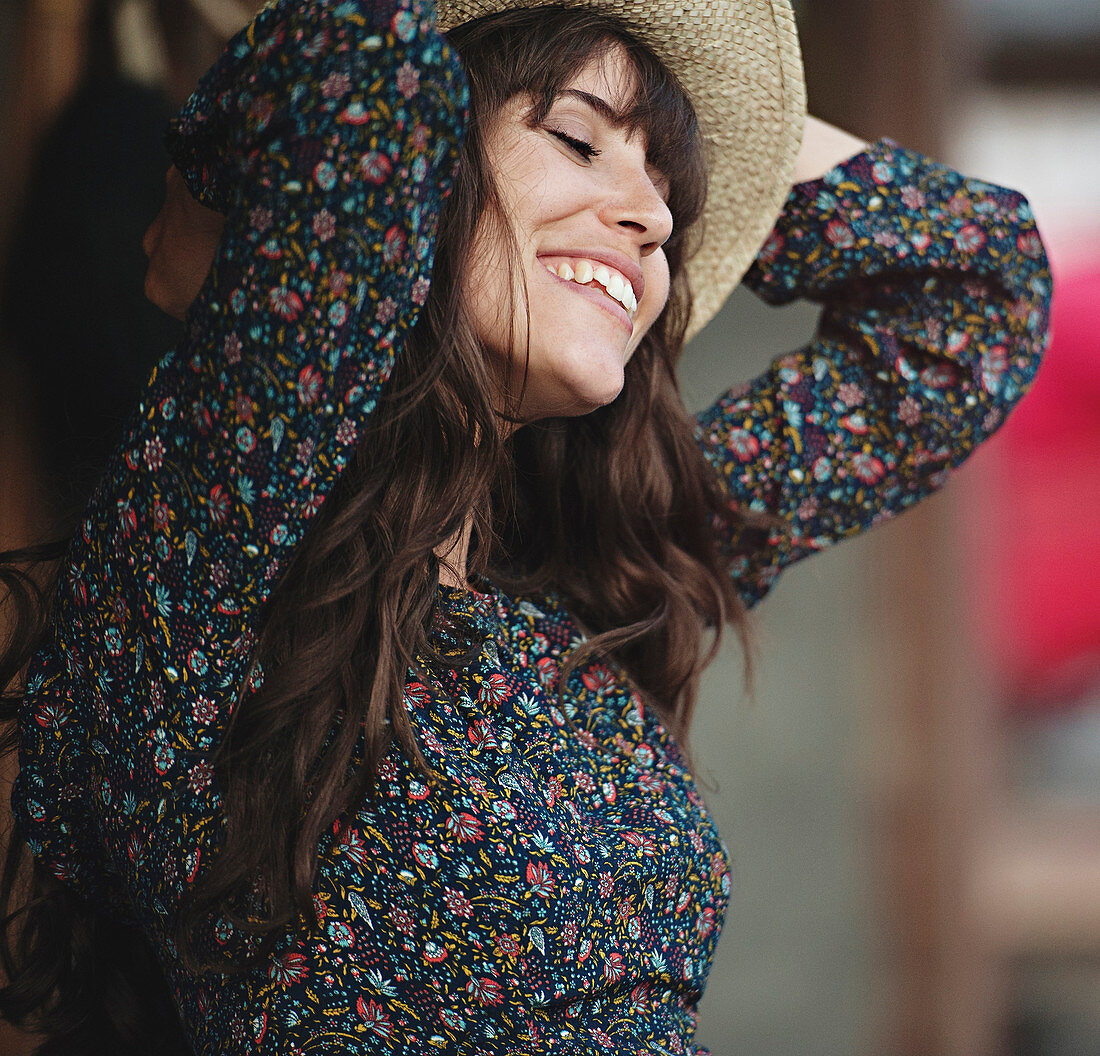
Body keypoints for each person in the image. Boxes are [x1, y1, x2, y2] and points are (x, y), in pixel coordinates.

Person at [0, 0, 1050, 1052]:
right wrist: (214, 195)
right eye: (574, 138)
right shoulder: (213, 562)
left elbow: (973, 296)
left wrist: (726, 144)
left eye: (670, 197)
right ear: (427, 174)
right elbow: (373, 70)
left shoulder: (592, 583)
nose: (651, 216)